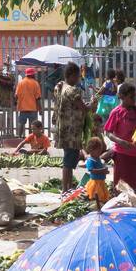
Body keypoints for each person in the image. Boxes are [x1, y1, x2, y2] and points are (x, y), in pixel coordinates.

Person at [103, 82, 136, 197]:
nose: (134, 99)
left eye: (135, 96)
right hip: (122, 154)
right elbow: (108, 132)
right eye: (131, 97)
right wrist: (120, 141)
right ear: (122, 97)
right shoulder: (116, 112)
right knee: (121, 188)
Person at [53, 63, 87, 194]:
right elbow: (83, 107)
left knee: (69, 158)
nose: (79, 79)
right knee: (68, 161)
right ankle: (65, 189)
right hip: (72, 131)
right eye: (78, 76)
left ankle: (68, 186)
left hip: (63, 129)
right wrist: (91, 105)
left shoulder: (60, 87)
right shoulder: (72, 90)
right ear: (72, 76)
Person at [14, 67, 42, 136]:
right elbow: (38, 98)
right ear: (32, 75)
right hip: (32, 108)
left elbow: (16, 96)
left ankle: (19, 138)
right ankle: (31, 139)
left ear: (26, 74)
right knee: (33, 125)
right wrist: (40, 109)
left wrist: (16, 104)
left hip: (23, 108)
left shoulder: (21, 83)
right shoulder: (35, 83)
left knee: (21, 123)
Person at [84, 137, 110, 209]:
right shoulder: (90, 160)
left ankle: (100, 207)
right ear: (91, 150)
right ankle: (96, 208)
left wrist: (105, 171)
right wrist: (102, 170)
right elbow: (91, 170)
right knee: (97, 196)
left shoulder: (98, 159)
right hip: (95, 182)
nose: (99, 153)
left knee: (102, 196)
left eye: (100, 151)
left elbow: (101, 168)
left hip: (101, 181)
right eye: (98, 151)